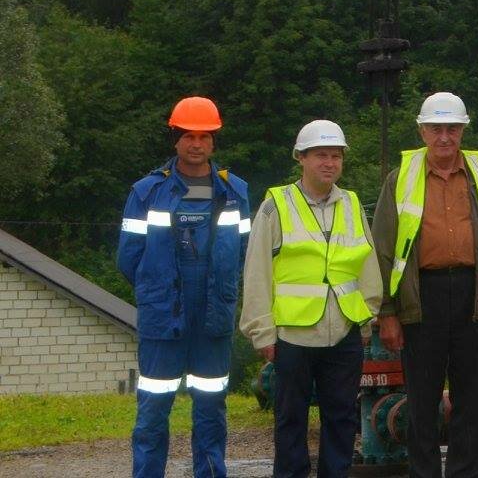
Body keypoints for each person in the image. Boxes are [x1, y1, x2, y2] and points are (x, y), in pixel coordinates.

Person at [372, 92, 478, 478]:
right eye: (436, 128)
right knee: (422, 400)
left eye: (452, 128)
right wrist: (387, 311)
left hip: (475, 295)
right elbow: (383, 249)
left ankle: (466, 473)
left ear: (462, 130)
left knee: (470, 399)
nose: (444, 136)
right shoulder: (400, 179)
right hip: (421, 297)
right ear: (422, 131)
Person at [240, 119, 383, 478]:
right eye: (321, 155)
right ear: (301, 158)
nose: (330, 163)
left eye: (336, 156)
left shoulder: (351, 204)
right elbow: (257, 271)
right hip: (292, 334)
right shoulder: (276, 205)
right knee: (291, 421)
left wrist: (367, 315)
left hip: (344, 333)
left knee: (342, 418)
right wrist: (262, 332)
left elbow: (367, 262)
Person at [119, 96, 251, 478]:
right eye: (189, 136)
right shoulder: (146, 192)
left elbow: (242, 252)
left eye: (205, 136)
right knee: (153, 412)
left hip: (213, 315)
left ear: (214, 142)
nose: (197, 144)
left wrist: (221, 289)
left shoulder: (235, 192)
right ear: (175, 139)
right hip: (164, 316)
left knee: (211, 410)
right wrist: (158, 292)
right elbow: (128, 259)